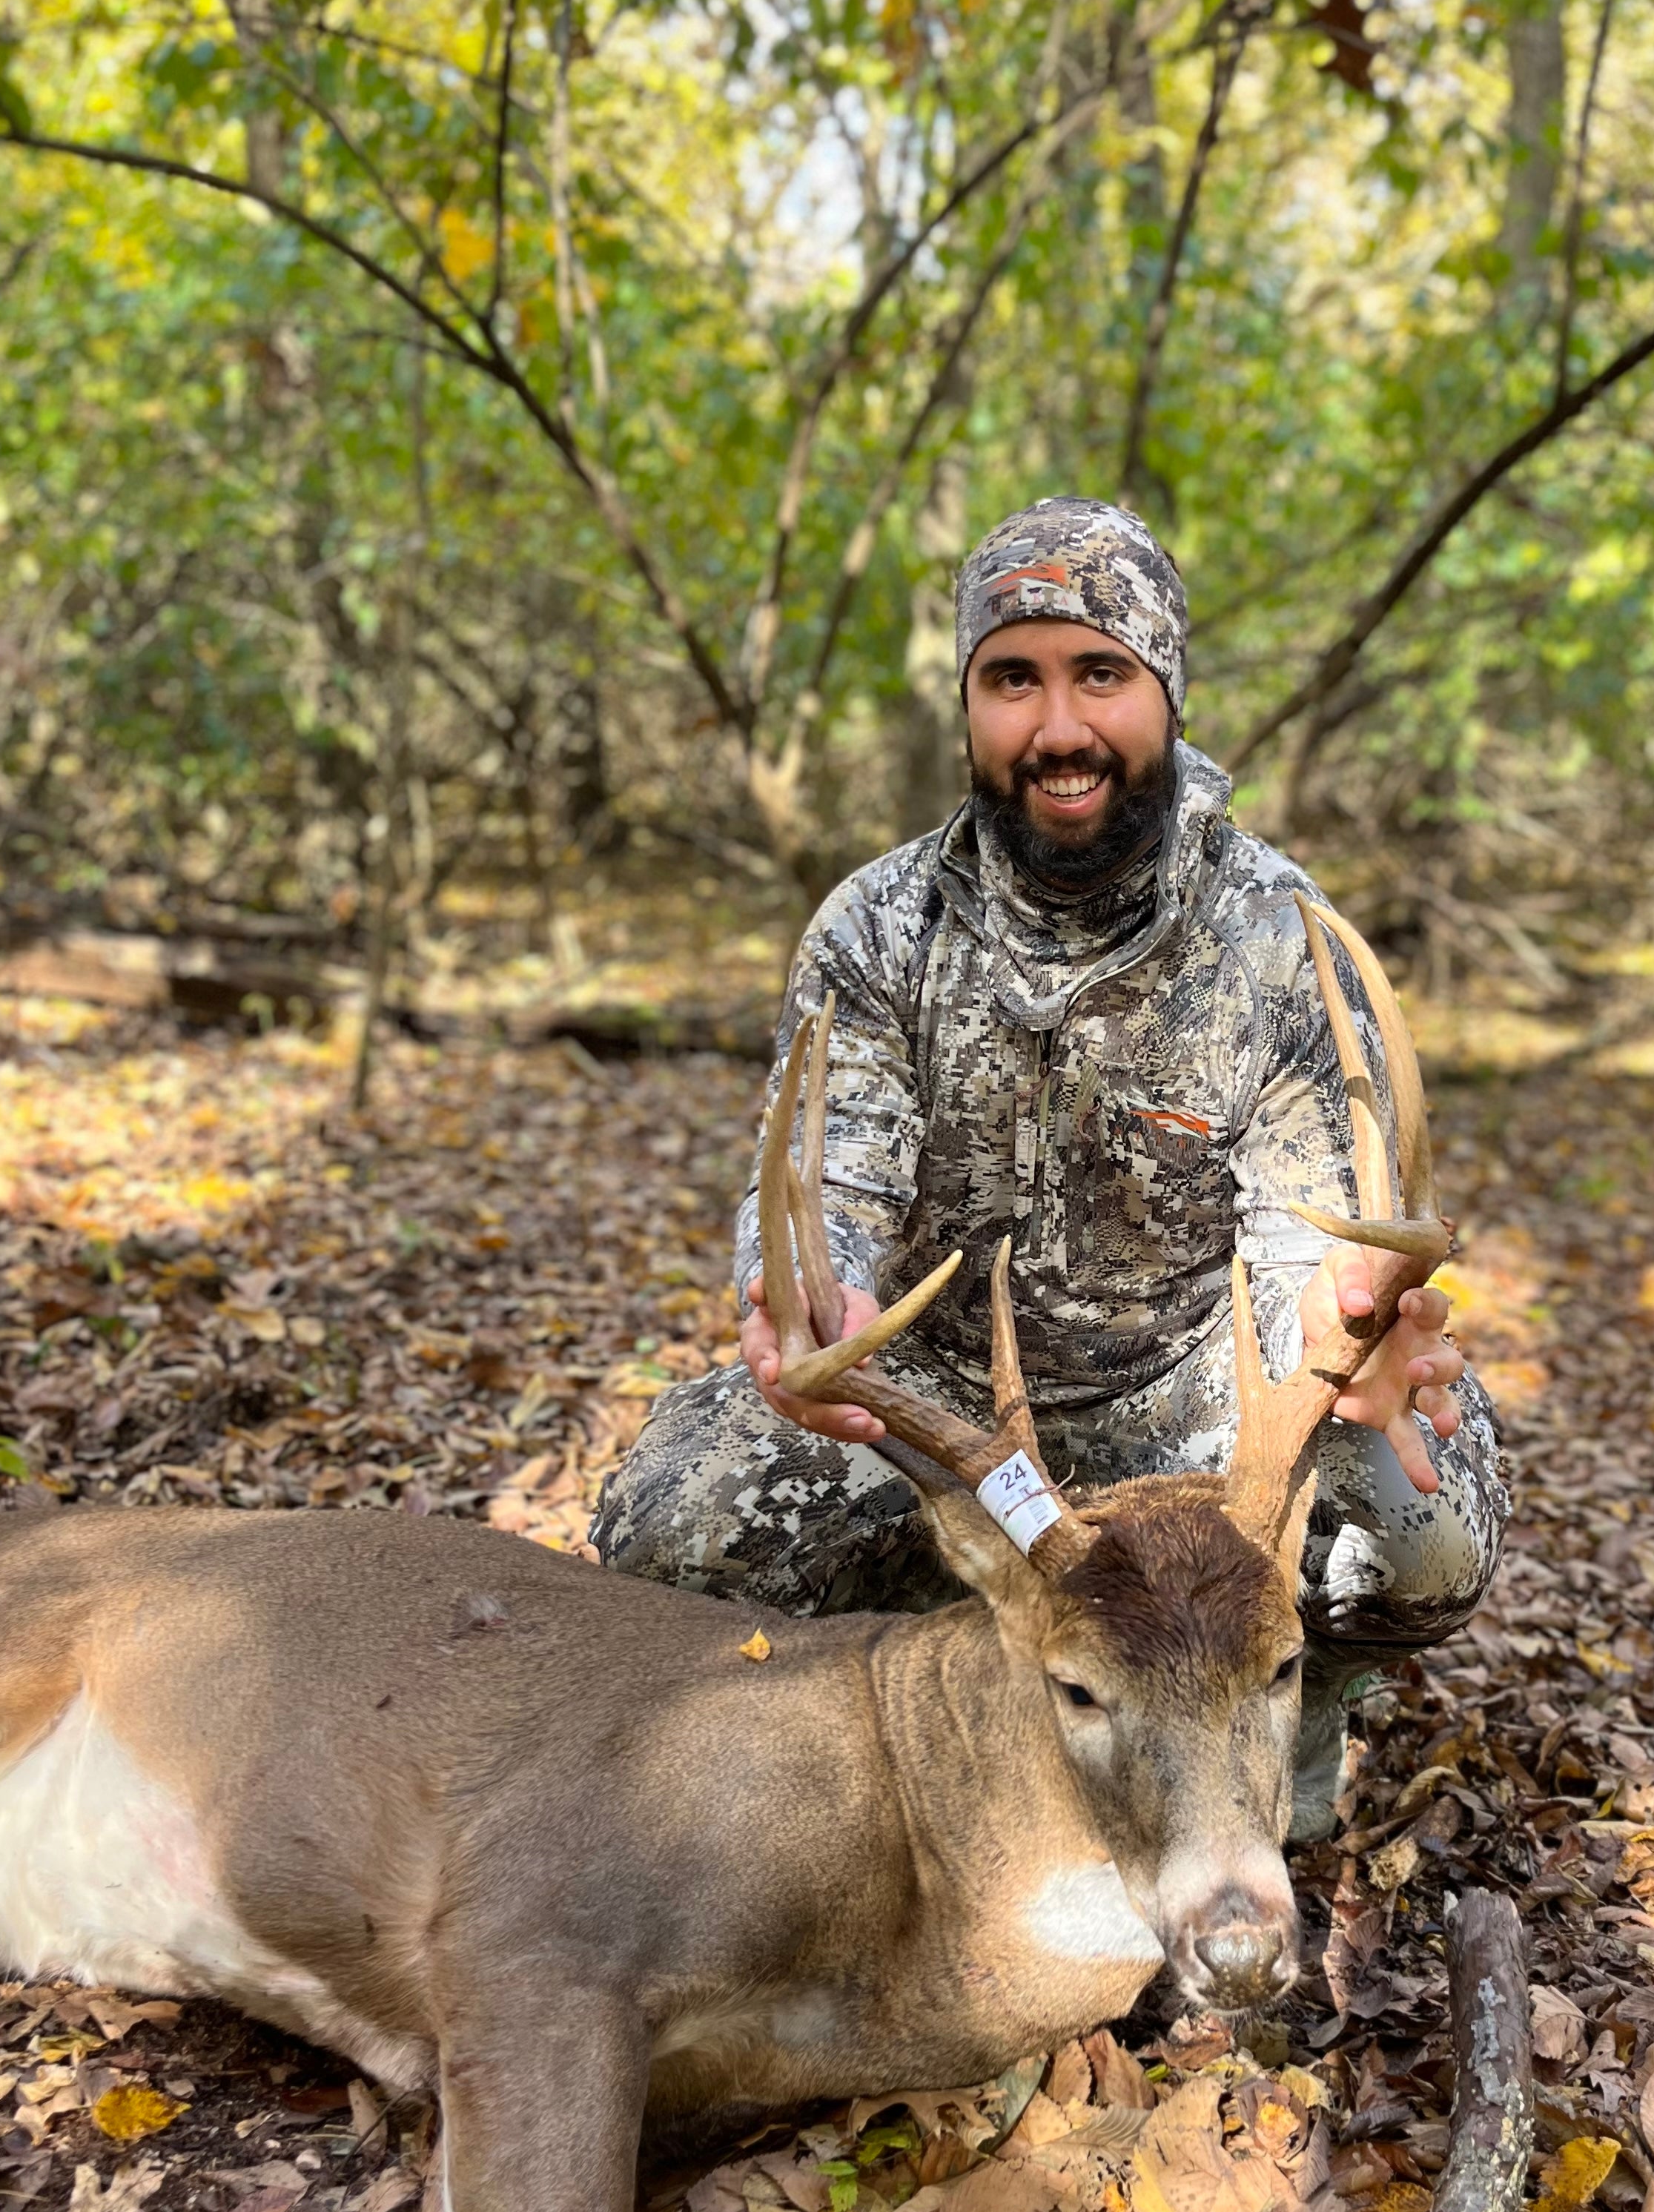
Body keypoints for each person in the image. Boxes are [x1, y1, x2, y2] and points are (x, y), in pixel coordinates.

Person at [592, 496, 1509, 1837]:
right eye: (1012, 679)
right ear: (968, 706)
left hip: (1191, 1406)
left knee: (1417, 1530)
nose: (1059, 727)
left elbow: (1313, 1246)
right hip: (949, 1415)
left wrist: (1345, 1336)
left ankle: (1278, 1702)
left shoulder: (1278, 939)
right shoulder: (876, 927)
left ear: (1168, 692)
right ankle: (934, 1702)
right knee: (674, 1530)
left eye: (1101, 675)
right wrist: (809, 1308)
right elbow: (828, 1180)